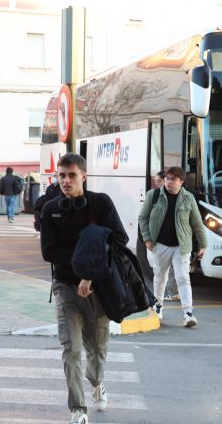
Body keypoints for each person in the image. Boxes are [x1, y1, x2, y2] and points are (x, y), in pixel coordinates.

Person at [40, 153, 128, 424]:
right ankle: (78, 409)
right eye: (61, 176)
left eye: (71, 175)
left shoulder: (101, 204)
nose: (65, 181)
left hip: (98, 288)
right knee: (72, 349)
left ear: (84, 176)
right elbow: (49, 251)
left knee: (98, 348)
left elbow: (119, 239)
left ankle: (97, 381)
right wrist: (84, 261)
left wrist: (90, 272)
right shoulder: (50, 208)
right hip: (65, 287)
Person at [138, 166, 207, 328]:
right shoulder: (153, 195)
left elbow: (197, 223)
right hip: (159, 244)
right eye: (167, 178)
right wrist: (147, 239)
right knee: (160, 277)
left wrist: (203, 244)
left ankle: (188, 313)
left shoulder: (188, 198)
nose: (169, 182)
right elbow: (142, 218)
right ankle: (158, 307)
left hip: (181, 246)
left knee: (183, 278)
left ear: (181, 182)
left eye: (173, 179)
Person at [149, 171, 180, 301]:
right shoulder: (155, 195)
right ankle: (169, 294)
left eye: (158, 181)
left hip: (172, 241)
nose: (156, 183)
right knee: (163, 272)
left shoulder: (177, 196)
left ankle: (172, 293)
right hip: (161, 240)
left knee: (170, 270)